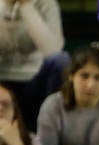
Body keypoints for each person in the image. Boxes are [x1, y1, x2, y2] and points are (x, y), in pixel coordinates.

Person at [0, 0, 68, 131]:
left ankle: (54, 129)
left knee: (61, 60)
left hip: (35, 79)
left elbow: (53, 50)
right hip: (2, 78)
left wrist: (26, 6)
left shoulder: (47, 4)